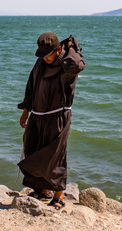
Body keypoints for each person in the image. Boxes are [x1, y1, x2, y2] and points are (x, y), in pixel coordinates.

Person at [17, 32, 85, 210]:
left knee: (55, 155)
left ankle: (59, 196)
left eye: (48, 54)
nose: (45, 58)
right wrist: (26, 111)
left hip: (58, 116)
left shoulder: (66, 66)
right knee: (33, 149)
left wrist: (72, 47)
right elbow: (31, 86)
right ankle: (42, 189)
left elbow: (78, 64)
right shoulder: (40, 62)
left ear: (59, 49)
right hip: (38, 115)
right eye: (42, 54)